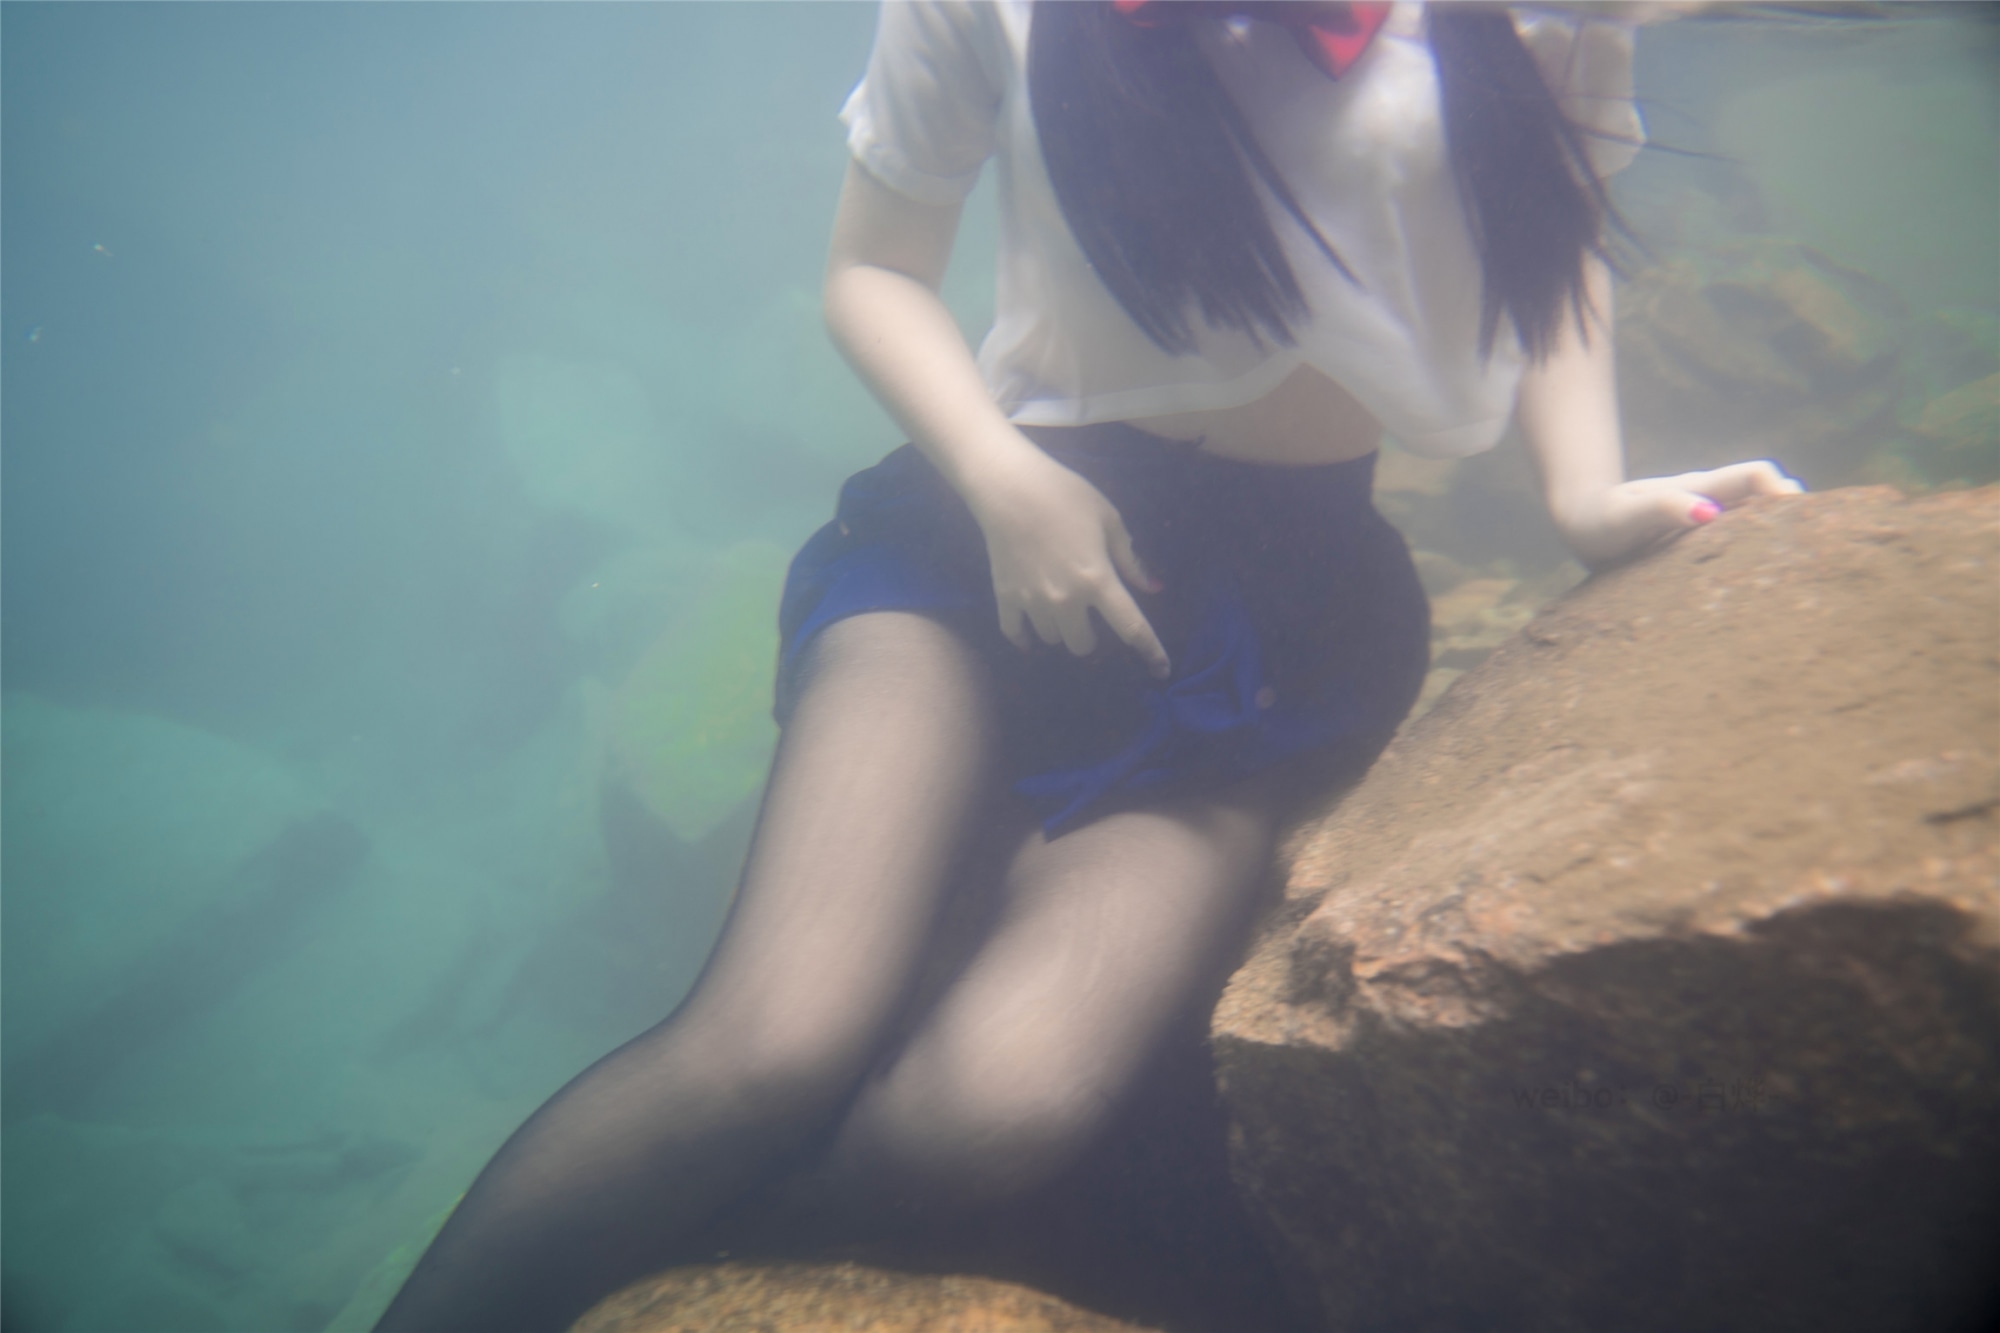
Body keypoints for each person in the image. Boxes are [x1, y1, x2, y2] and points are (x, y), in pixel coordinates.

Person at [375, 3, 1800, 1329]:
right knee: (771, 1043)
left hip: (1271, 627)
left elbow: (1548, 222)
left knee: (992, 1110)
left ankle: (690, 1290)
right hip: (977, 549)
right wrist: (1001, 479)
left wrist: (1585, 494)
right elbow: (872, 271)